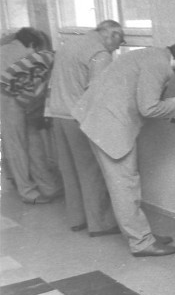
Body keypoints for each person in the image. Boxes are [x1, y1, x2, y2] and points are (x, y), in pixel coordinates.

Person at [74, 39, 175, 257]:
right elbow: (149, 108)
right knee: (125, 185)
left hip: (97, 117)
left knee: (126, 183)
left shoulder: (154, 54)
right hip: (108, 125)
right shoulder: (158, 64)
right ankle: (141, 242)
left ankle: (142, 233)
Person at [44, 20, 124, 233]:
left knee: (68, 170)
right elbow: (98, 94)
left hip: (57, 113)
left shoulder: (70, 43)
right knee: (91, 170)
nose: (116, 49)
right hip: (79, 118)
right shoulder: (100, 54)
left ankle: (77, 219)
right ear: (113, 35)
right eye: (119, 43)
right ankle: (101, 223)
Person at [0, 27, 63, 204]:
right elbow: (35, 86)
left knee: (20, 145)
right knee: (24, 146)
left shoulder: (4, 48)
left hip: (11, 99)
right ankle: (33, 192)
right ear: (33, 44)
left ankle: (39, 189)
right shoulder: (26, 54)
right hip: (9, 99)